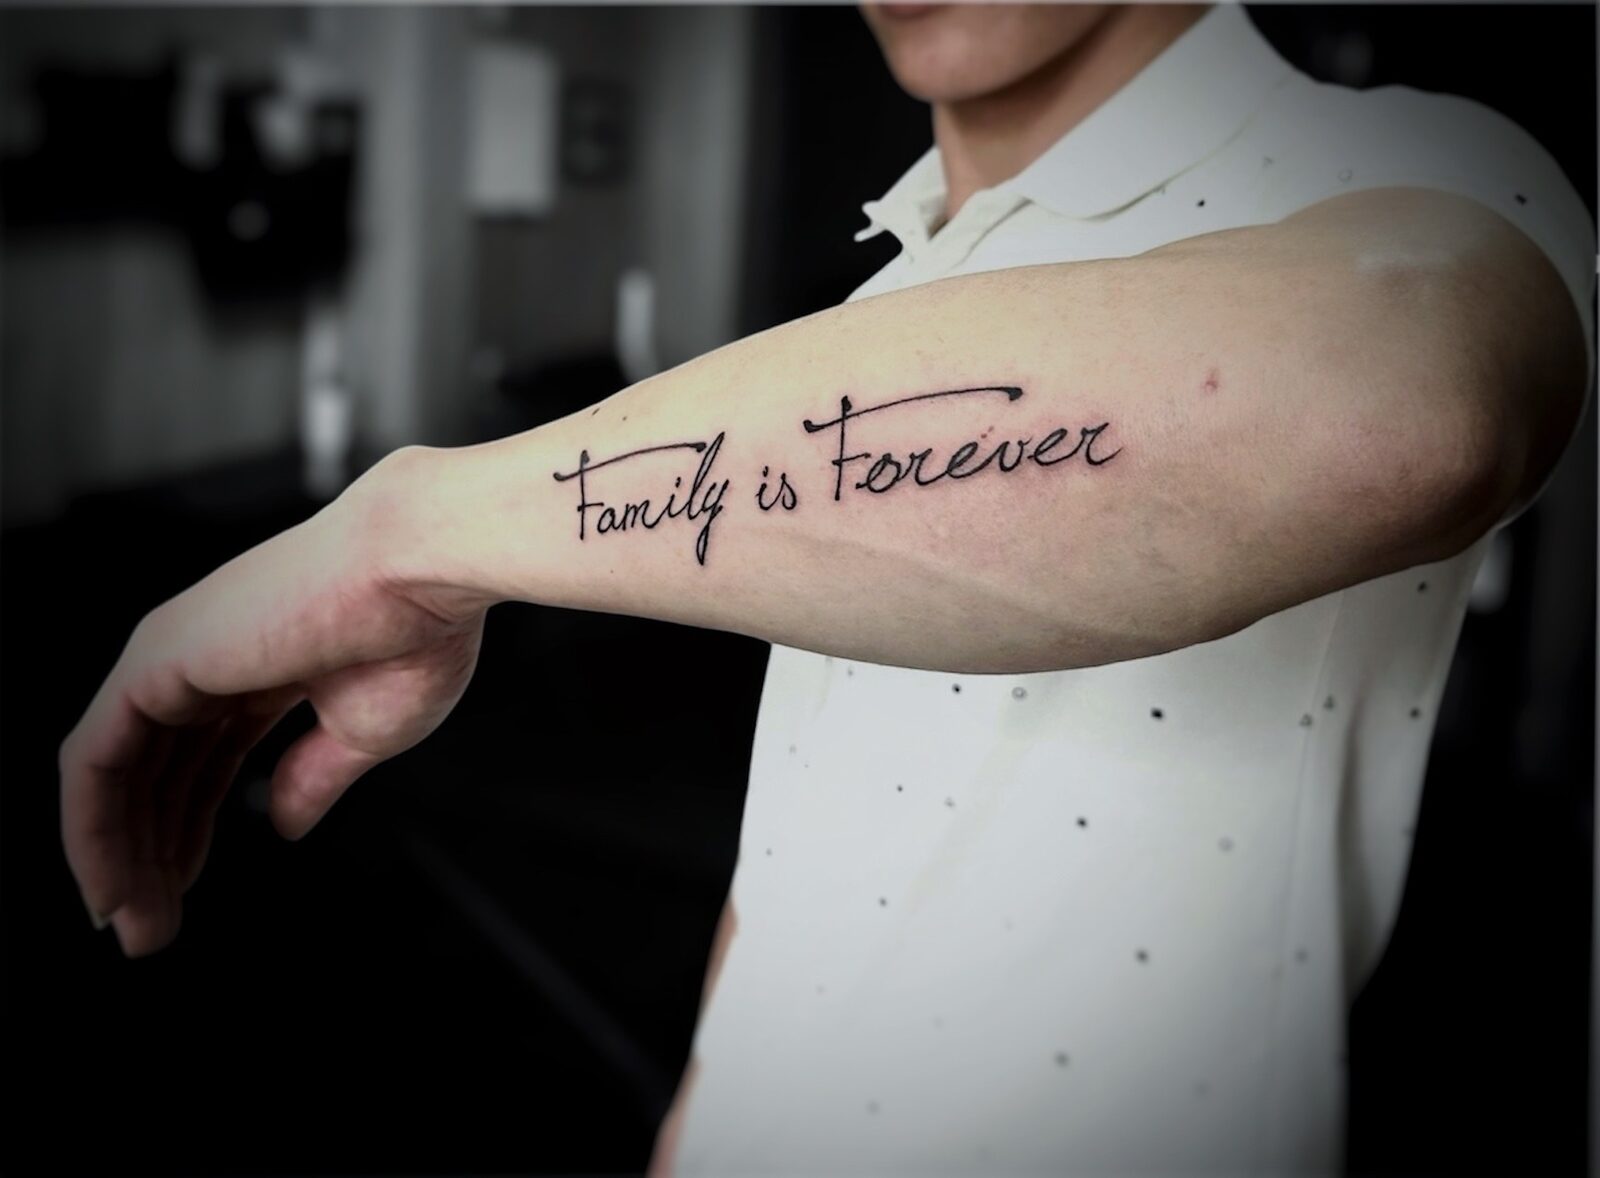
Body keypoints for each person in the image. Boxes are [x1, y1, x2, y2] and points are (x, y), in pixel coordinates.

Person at [58, 3, 1593, 1174]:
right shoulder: (879, 305)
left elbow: (1400, 407)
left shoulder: (1420, 177)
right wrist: (698, 1116)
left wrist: (409, 528)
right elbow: (814, 820)